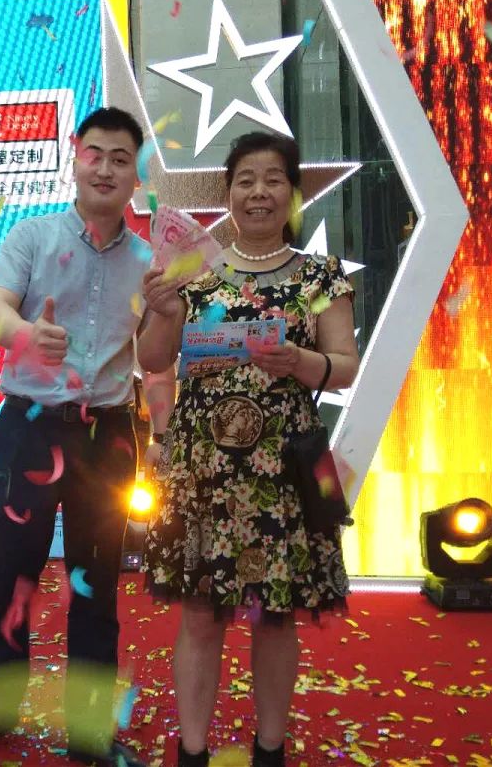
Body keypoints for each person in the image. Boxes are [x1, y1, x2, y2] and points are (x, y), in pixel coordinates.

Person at [0, 107, 173, 767]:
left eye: (121, 159)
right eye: (95, 154)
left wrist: (169, 314)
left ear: (135, 176)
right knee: (9, 577)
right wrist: (25, 335)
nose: (106, 168)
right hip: (30, 431)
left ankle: (90, 732)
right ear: (75, 160)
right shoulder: (31, 236)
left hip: (107, 438)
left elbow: (156, 359)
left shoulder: (150, 263)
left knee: (96, 584)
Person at [137, 131, 360, 767]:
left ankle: (269, 750)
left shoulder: (321, 276)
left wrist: (299, 361)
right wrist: (162, 312)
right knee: (200, 615)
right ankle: (193, 752)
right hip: (202, 471)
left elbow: (344, 365)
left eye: (273, 179)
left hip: (282, 472)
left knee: (275, 616)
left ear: (293, 193)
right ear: (229, 191)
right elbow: (153, 360)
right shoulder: (193, 272)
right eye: (245, 180)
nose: (259, 192)